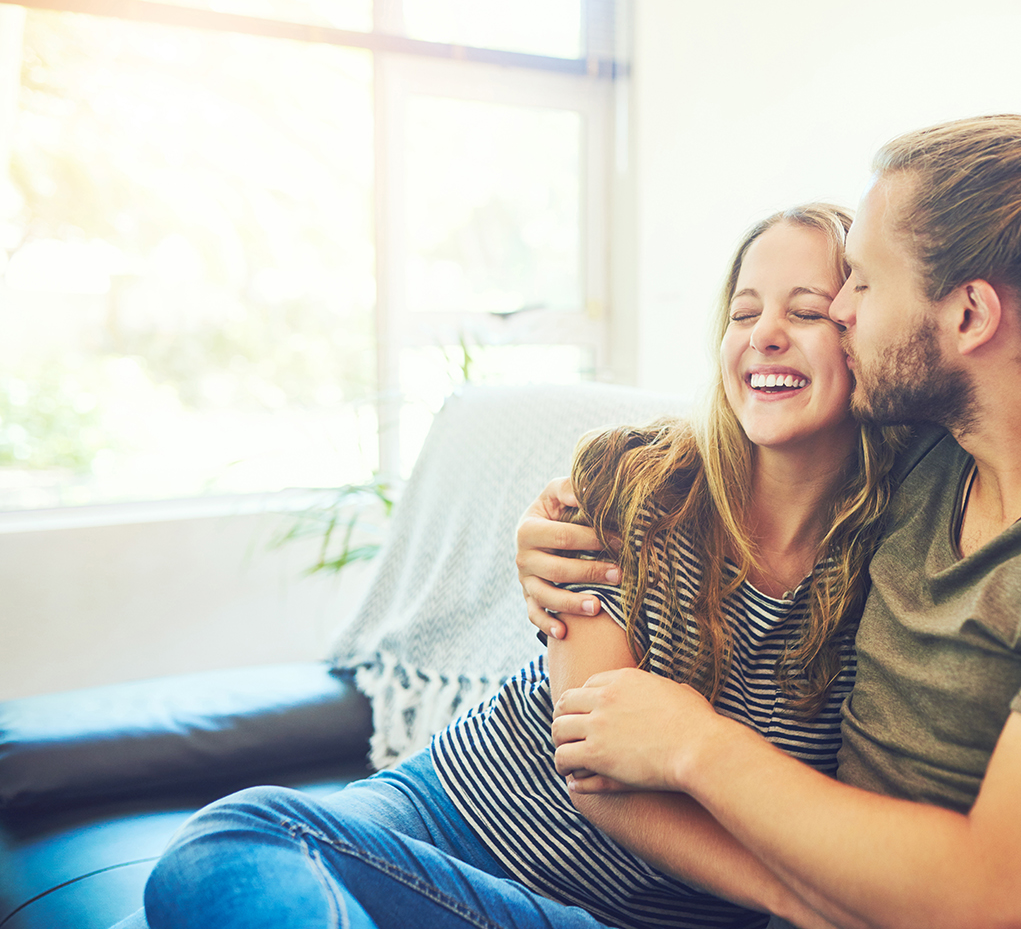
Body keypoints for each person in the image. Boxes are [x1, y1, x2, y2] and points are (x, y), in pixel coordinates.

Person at [520, 115, 1021, 929]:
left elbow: (1003, 903)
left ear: (968, 316)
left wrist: (695, 745)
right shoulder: (935, 454)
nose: (843, 313)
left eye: (860, 283)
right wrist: (559, 521)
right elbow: (736, 446)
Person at [122, 204, 904, 929]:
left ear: (864, 337)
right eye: (743, 312)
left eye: (805, 311)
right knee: (227, 849)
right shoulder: (641, 483)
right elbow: (598, 775)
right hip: (437, 818)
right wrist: (793, 898)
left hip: (598, 915)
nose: (764, 334)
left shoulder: (897, 562)